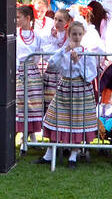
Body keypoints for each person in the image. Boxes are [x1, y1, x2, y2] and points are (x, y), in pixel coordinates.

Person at [39, 20, 100, 167]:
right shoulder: (64, 51)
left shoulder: (87, 53)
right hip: (65, 87)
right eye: (74, 34)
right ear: (69, 34)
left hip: (80, 89)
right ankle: (49, 153)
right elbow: (52, 65)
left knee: (77, 122)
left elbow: (90, 75)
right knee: (55, 118)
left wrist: (77, 61)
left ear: (83, 35)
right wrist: (63, 51)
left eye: (79, 34)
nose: (77, 37)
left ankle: (74, 154)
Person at [15, 5, 48, 144]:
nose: (15, 20)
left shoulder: (38, 37)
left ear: (28, 18)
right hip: (18, 72)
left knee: (34, 104)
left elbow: (42, 53)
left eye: (18, 17)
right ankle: (23, 135)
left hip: (33, 72)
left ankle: (31, 134)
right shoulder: (15, 35)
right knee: (20, 104)